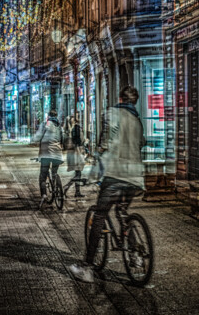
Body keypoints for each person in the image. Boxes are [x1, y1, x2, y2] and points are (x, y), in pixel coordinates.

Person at [70, 86, 146, 282]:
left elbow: (106, 142)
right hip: (135, 176)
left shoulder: (111, 114)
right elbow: (141, 142)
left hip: (114, 175)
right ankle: (135, 253)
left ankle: (87, 267)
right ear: (135, 101)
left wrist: (96, 158)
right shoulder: (137, 120)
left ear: (120, 97)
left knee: (99, 215)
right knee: (122, 213)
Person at [31, 109, 63, 205]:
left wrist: (33, 140)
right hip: (58, 153)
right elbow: (63, 138)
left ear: (48, 116)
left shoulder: (46, 124)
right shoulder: (59, 126)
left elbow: (38, 136)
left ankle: (44, 195)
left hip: (46, 153)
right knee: (54, 172)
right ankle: (56, 185)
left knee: (43, 175)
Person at [65, 117, 85, 198]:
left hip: (73, 153)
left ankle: (76, 191)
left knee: (78, 173)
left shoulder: (71, 129)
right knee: (78, 173)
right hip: (76, 153)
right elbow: (80, 140)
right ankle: (67, 188)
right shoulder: (76, 128)